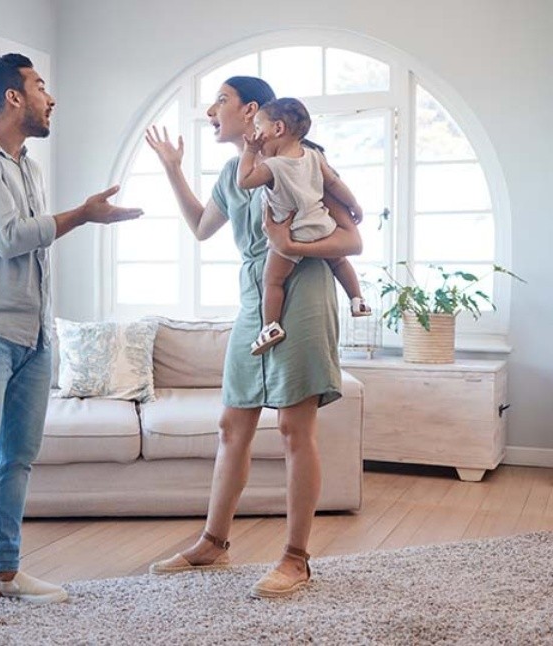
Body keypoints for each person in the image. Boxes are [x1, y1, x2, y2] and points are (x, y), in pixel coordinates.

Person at [0, 53, 142, 633]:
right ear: (13, 97)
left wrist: (47, 326)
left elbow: (34, 249)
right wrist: (84, 215)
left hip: (34, 332)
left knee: (16, 459)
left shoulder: (29, 166)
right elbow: (8, 238)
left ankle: (2, 571)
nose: (51, 98)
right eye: (40, 86)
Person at [144, 76, 361, 598]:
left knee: (293, 428)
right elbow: (202, 227)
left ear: (253, 112)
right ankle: (213, 543)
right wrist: (173, 170)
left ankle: (295, 559)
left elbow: (351, 237)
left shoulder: (306, 162)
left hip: (304, 292)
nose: (211, 110)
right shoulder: (231, 173)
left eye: (221, 100)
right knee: (231, 424)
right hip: (254, 301)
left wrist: (291, 246)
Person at [238, 97, 370, 356]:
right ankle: (357, 300)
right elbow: (334, 184)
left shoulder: (272, 166)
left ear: (278, 128)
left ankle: (270, 327)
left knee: (273, 281)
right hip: (321, 225)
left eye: (258, 127)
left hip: (293, 232)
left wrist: (250, 151)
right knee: (339, 262)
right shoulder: (314, 156)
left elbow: (244, 181)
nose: (256, 136)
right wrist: (354, 204)